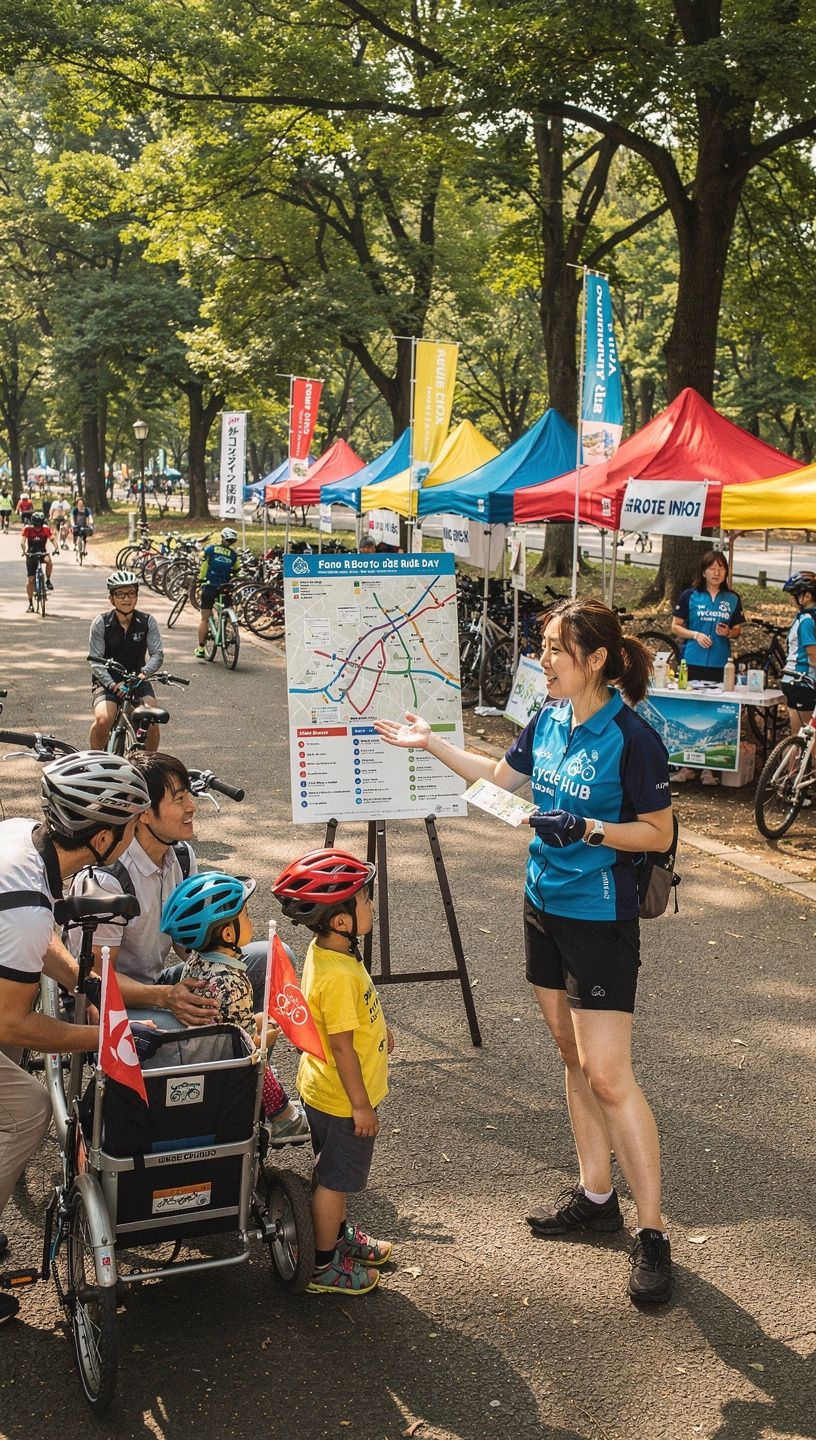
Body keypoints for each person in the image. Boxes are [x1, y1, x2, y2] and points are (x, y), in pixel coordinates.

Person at [375, 598, 675, 1305]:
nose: (542, 659)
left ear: (596, 659)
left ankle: (653, 1233)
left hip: (600, 918)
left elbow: (657, 834)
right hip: (541, 906)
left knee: (609, 1075)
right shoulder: (545, 721)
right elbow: (496, 782)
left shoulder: (634, 738)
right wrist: (431, 743)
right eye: (541, 645)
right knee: (573, 1059)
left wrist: (591, 829)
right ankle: (597, 1197)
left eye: (554, 649)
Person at [0, 750, 151, 1326]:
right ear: (105, 836)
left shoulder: (22, 839)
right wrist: (104, 1038)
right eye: (132, 825)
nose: (134, 835)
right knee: (31, 1108)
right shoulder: (26, 909)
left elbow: (39, 950)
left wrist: (90, 983)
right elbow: (12, 1023)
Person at [272, 848, 394, 1295]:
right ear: (341, 921)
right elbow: (342, 1047)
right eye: (364, 900)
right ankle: (323, 1265)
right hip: (344, 1100)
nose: (370, 906)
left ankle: (336, 1237)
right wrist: (361, 1106)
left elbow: (347, 1018)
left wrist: (382, 1028)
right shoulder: (338, 974)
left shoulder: (331, 952)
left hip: (321, 1088)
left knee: (331, 1173)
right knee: (334, 1182)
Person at [160, 872, 309, 1141]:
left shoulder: (196, 963)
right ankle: (281, 1116)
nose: (251, 921)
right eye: (247, 916)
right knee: (259, 1064)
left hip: (200, 1050)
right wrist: (266, 1033)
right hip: (224, 1065)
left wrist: (258, 1020)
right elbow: (244, 1044)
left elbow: (227, 1018)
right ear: (229, 933)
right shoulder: (233, 982)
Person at [671, 549, 745, 785]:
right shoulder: (690, 596)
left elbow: (738, 630)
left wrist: (728, 632)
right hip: (692, 662)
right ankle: (685, 767)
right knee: (691, 712)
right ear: (703, 571)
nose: (717, 572)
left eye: (721, 568)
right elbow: (675, 626)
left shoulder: (732, 598)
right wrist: (695, 635)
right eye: (712, 568)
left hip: (721, 664)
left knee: (714, 714)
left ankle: (709, 770)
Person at [88, 571, 164, 751]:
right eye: (120, 594)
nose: (126, 599)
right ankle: (95, 760)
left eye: (131, 593)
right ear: (111, 598)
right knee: (103, 720)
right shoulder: (101, 622)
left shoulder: (147, 621)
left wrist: (143, 673)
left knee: (152, 722)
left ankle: (149, 765)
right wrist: (113, 684)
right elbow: (96, 660)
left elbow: (157, 654)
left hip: (138, 678)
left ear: (137, 595)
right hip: (108, 680)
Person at [195, 527, 241, 660]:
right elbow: (237, 570)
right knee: (226, 610)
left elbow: (201, 558)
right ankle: (227, 629)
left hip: (209, 585)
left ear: (222, 537)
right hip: (225, 587)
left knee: (205, 618)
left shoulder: (211, 549)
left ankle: (201, 648)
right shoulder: (233, 555)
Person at [779, 572, 816, 736]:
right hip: (803, 682)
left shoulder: (803, 618)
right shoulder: (808, 621)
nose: (791, 599)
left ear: (807, 596)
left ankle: (790, 762)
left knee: (797, 736)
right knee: (810, 739)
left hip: (794, 680)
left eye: (794, 595)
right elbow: (813, 655)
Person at [20, 509, 57, 609]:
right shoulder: (27, 529)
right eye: (36, 526)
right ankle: (30, 602)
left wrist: (56, 548)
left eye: (39, 526)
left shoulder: (45, 528)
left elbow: (52, 538)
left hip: (42, 552)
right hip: (31, 554)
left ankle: (48, 580)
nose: (37, 528)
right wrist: (24, 551)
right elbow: (23, 541)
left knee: (49, 561)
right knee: (30, 580)